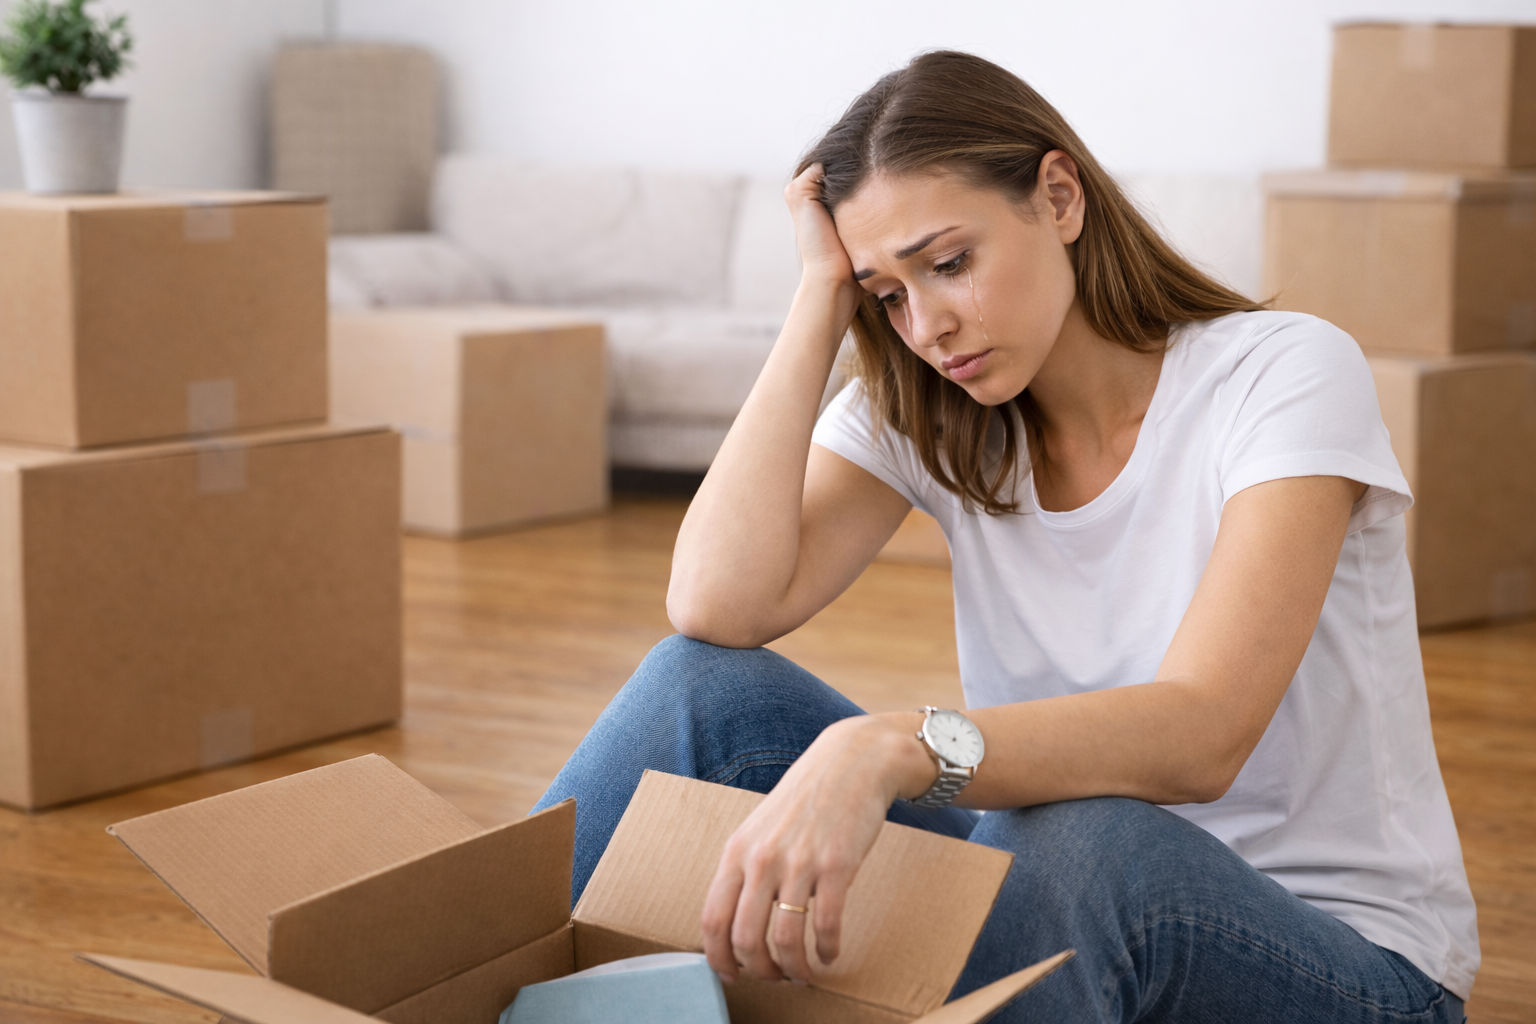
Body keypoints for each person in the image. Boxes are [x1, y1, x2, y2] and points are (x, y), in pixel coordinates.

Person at [533, 50, 1477, 1023]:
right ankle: (453, 983)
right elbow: (717, 604)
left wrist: (890, 747)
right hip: (1052, 911)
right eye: (888, 295)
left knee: (1076, 839)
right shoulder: (929, 410)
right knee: (705, 688)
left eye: (949, 263)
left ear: (1059, 198)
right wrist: (819, 298)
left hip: (1346, 966)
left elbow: (1203, 733)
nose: (928, 325)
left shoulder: (1282, 375)